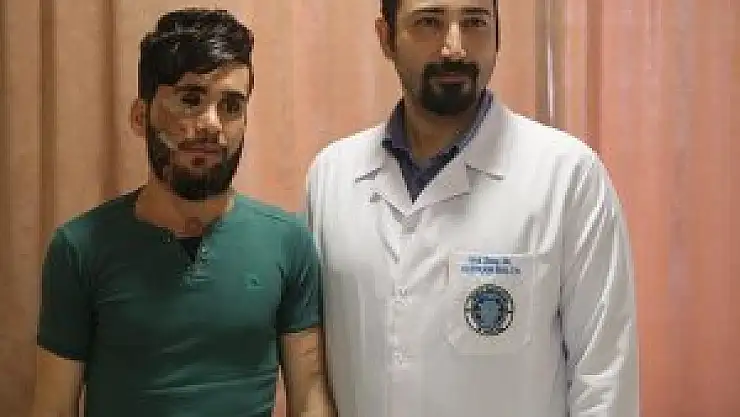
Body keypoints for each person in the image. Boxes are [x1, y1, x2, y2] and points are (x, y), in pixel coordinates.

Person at [305, 0, 639, 416]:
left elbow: (605, 378)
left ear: (499, 34)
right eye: (429, 22)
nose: (455, 47)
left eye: (475, 22)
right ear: (386, 38)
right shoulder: (332, 177)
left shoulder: (568, 176)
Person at [31, 8, 334, 417]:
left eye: (231, 106)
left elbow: (309, 395)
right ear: (140, 117)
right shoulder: (79, 249)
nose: (211, 124)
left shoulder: (287, 243)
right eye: (190, 100)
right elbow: (52, 408)